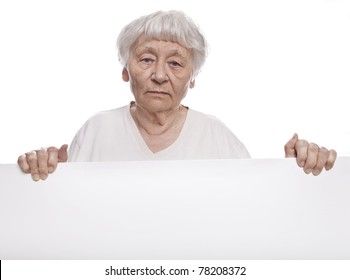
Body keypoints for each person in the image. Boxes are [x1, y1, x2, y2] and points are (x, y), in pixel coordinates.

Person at [17, 10, 337, 181]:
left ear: (192, 78)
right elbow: (68, 218)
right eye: (146, 59)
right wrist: (41, 176)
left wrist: (296, 176)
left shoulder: (217, 136)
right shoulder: (97, 130)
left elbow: (255, 211)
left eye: (175, 62)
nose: (159, 74)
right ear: (125, 70)